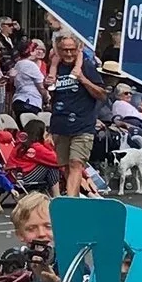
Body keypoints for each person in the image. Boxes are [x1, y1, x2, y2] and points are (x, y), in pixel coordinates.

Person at [45, 32, 106, 197]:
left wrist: (83, 79)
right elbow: (52, 95)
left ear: (78, 49)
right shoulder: (55, 66)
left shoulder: (86, 66)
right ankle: (76, 197)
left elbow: (102, 94)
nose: (68, 53)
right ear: (58, 50)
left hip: (82, 125)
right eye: (64, 50)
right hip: (60, 125)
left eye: (72, 49)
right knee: (65, 165)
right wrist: (47, 85)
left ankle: (71, 201)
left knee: (76, 163)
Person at [10, 40, 47, 123]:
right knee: (32, 128)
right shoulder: (31, 65)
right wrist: (46, 96)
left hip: (19, 100)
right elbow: (40, 87)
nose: (37, 52)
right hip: (30, 101)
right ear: (30, 51)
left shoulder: (18, 64)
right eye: (35, 49)